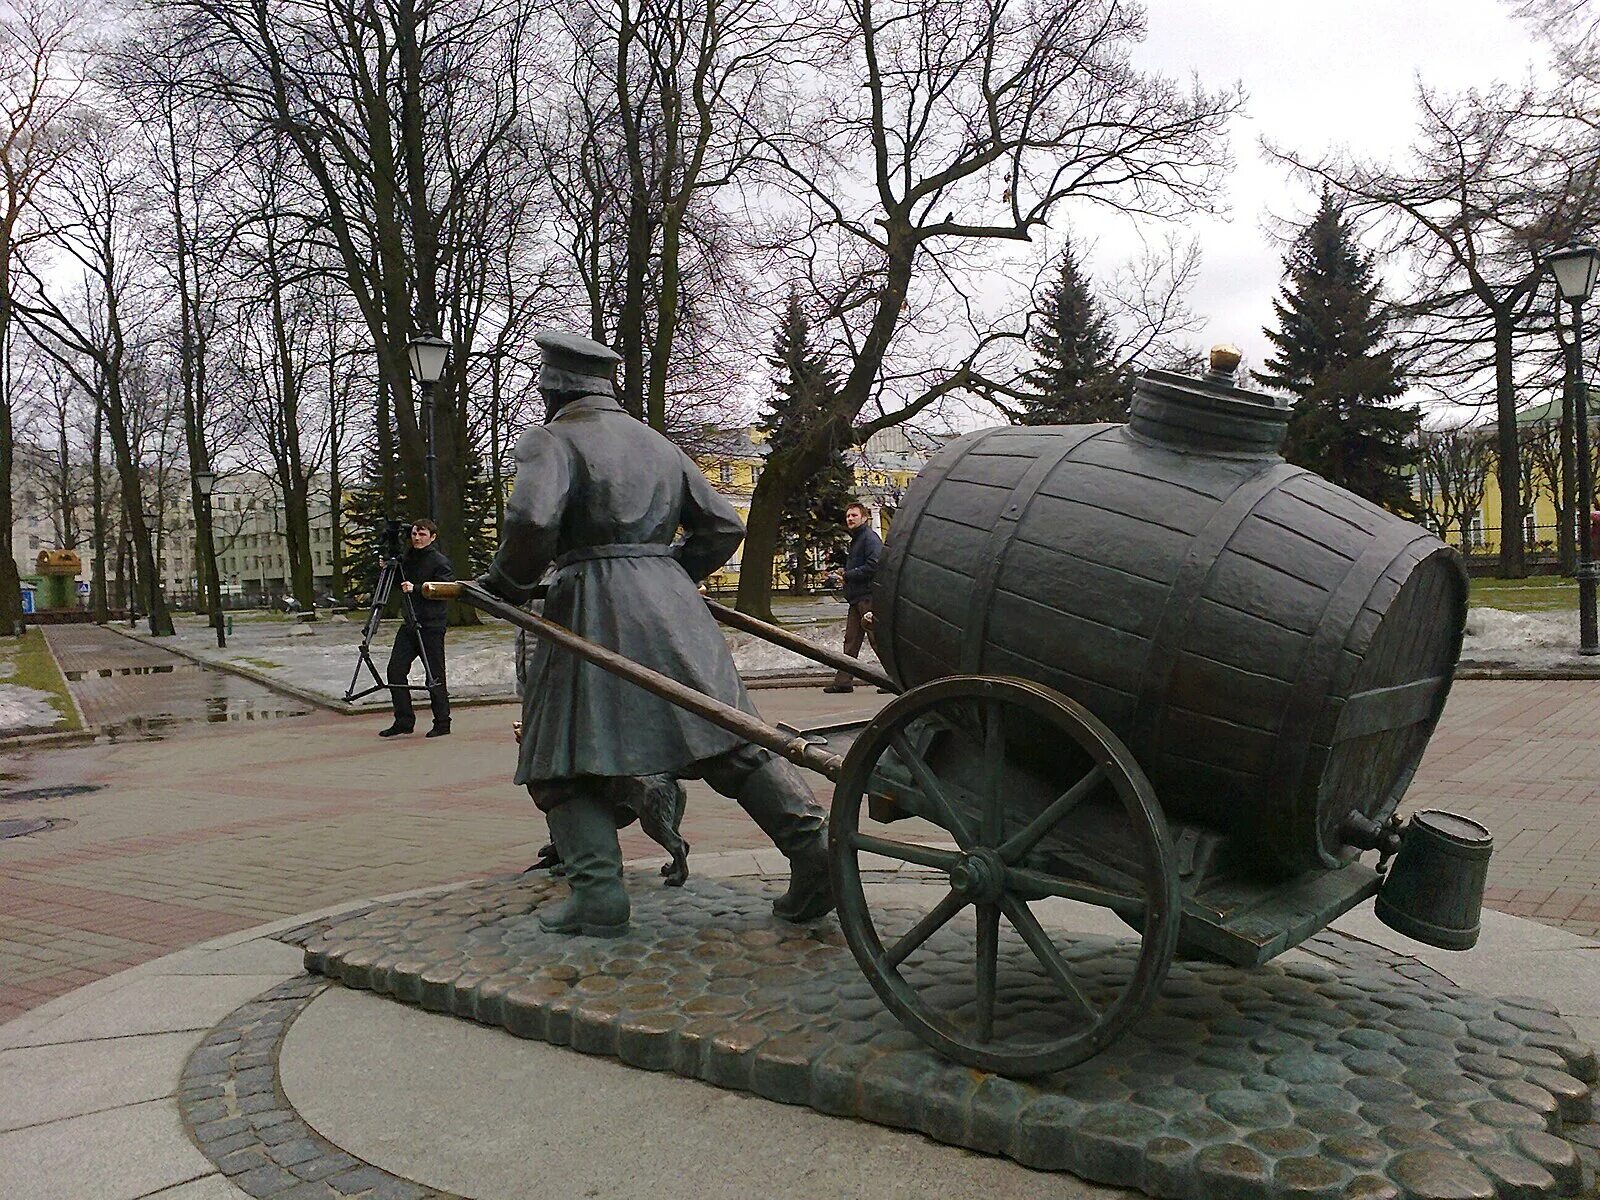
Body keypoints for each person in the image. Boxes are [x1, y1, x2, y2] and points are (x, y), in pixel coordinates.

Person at [476, 330, 832, 938]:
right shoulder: (658, 444)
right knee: (731, 739)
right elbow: (724, 526)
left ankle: (598, 896)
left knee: (560, 758)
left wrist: (506, 583)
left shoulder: (550, 440)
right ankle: (816, 854)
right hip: (674, 608)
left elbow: (532, 518)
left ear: (552, 387)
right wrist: (664, 577)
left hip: (588, 604)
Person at [379, 518, 452, 738]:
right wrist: (387, 569)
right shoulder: (407, 559)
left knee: (435, 675)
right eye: (414, 534)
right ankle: (403, 720)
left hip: (431, 625)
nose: (417, 538)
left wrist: (417, 588)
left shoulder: (440, 561)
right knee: (395, 670)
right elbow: (396, 585)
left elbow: (445, 589)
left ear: (432, 537)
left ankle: (442, 722)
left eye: (422, 535)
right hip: (410, 624)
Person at [823, 501, 883, 694]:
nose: (849, 519)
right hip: (857, 598)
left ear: (864, 518)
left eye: (854, 515)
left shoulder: (869, 538)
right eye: (848, 516)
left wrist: (848, 575)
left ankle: (894, 679)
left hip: (868, 598)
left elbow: (875, 565)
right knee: (851, 640)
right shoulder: (858, 539)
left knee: (877, 639)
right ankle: (843, 681)